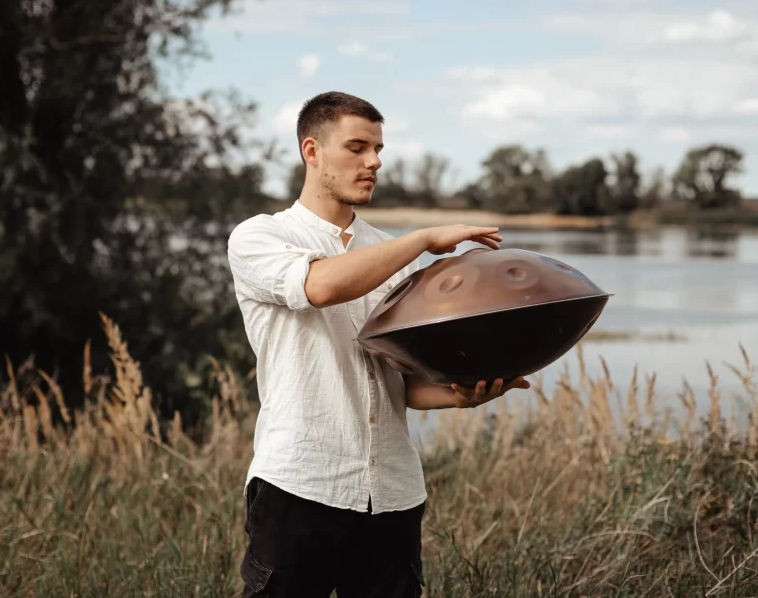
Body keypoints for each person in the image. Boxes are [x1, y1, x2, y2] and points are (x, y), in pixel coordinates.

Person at [226, 91, 530, 597]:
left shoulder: (394, 257)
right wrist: (422, 238)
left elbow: (404, 384)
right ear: (312, 151)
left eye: (379, 149)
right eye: (358, 147)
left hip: (392, 494)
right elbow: (319, 287)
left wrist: (464, 393)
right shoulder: (260, 236)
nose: (374, 162)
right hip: (299, 486)